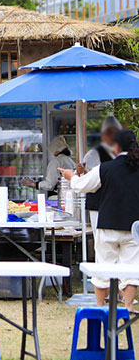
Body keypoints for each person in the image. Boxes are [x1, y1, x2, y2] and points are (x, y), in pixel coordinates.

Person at [60, 129, 139, 311]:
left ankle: (100, 305)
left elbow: (81, 186)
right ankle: (128, 306)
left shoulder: (105, 168)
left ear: (116, 146)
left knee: (103, 265)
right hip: (133, 225)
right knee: (131, 268)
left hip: (108, 223)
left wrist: (72, 177)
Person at [80, 116, 122, 231]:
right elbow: (92, 179)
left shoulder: (122, 152)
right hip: (98, 203)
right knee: (100, 237)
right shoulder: (94, 154)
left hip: (117, 203)